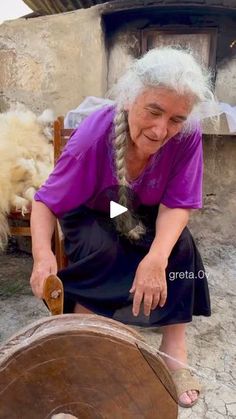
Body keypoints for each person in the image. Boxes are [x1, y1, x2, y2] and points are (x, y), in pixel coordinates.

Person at [30, 46, 215, 408]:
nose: (162, 129)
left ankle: (173, 345)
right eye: (154, 111)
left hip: (131, 207)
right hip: (93, 208)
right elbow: (45, 202)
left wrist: (157, 259)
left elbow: (177, 205)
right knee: (105, 245)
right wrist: (42, 256)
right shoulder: (91, 139)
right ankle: (91, 332)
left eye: (176, 118)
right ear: (131, 99)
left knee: (179, 245)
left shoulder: (186, 135)